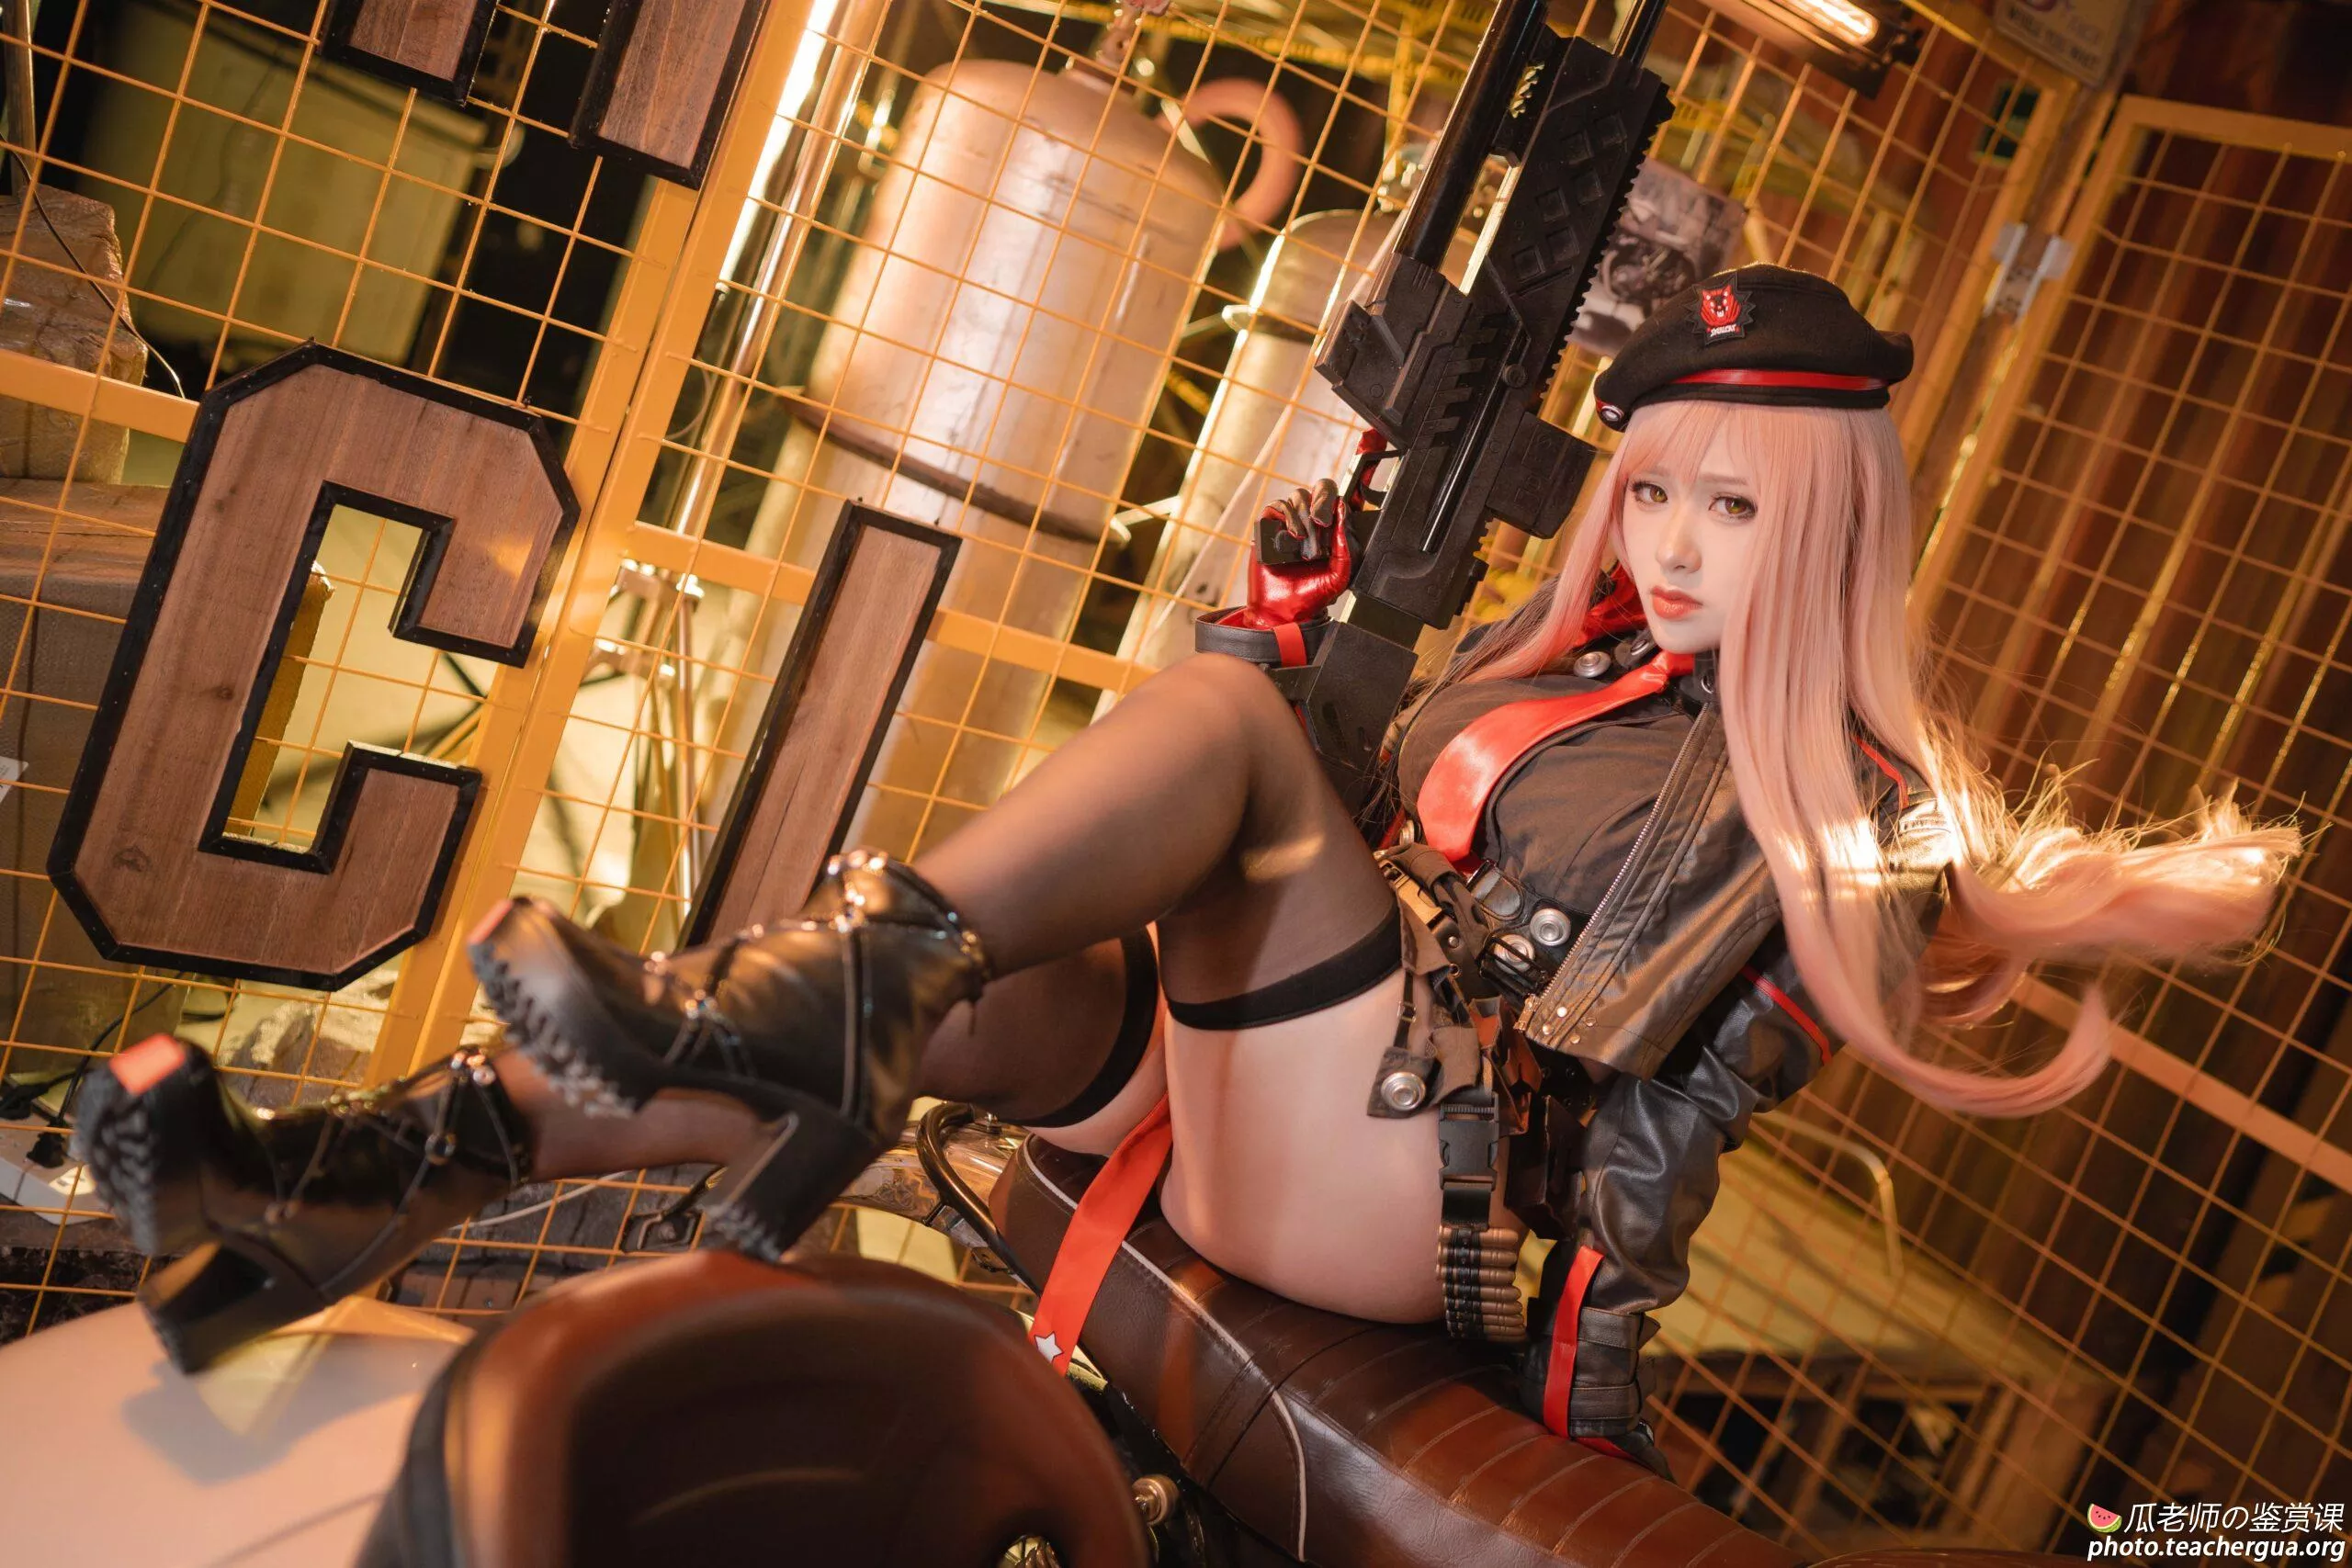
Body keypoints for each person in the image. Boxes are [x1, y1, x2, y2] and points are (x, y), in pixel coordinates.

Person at [76, 267, 2295, 1470]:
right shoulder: (1569, 676)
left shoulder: (1845, 803)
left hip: (1434, 1203)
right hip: (1317, 1097)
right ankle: (321, 1200)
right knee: (1005, 955)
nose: (1673, 540)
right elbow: (1323, 876)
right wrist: (1287, 650)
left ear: (1827, 527)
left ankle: (815, 1005)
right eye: (1653, 490)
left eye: (1734, 505)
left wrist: (1566, 1428)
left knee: (1209, 750)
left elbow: (1641, 1151)